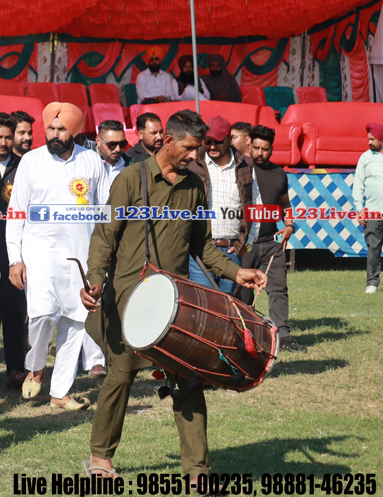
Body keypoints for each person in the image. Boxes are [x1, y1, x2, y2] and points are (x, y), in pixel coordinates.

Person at [82, 109, 269, 480]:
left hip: (178, 302)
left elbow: (203, 245)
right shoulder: (130, 179)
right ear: (167, 140)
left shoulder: (194, 185)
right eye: (189, 147)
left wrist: (236, 272)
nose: (195, 155)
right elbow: (106, 236)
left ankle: (197, 471)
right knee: (121, 377)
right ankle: (100, 459)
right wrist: (96, 279)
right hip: (130, 297)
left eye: (198, 148)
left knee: (190, 380)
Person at [6, 102, 109, 410]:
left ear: (74, 131)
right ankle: (36, 366)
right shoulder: (31, 161)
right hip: (38, 254)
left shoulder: (91, 160)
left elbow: (104, 210)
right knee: (41, 316)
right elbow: (16, 213)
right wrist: (14, 259)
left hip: (81, 254)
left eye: (61, 129)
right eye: (50, 127)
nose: (54, 133)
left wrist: (103, 259)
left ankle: (60, 393)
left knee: (76, 321)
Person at [238, 125, 303, 351]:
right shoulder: (239, 170)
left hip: (271, 242)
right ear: (249, 145)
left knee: (278, 290)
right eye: (256, 148)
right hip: (244, 244)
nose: (259, 153)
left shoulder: (279, 173)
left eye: (264, 149)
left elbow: (286, 205)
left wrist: (289, 225)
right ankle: (241, 335)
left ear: (272, 149)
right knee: (241, 293)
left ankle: (283, 337)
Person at [187, 116, 258, 294]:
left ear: (230, 139)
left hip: (232, 251)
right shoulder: (192, 164)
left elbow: (256, 207)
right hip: (200, 251)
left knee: (227, 305)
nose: (212, 146)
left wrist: (247, 244)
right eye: (208, 141)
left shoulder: (246, 166)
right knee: (204, 303)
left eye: (218, 142)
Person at [0, 113, 26, 388]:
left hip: (13, 251)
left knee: (14, 312)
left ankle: (15, 370)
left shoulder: (24, 166)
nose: (3, 142)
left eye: (8, 137)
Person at [354, 123, 383, 295]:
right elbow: (358, 184)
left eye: (372, 139)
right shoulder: (365, 157)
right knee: (373, 248)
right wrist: (359, 209)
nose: (369, 142)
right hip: (373, 211)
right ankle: (372, 282)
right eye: (368, 139)